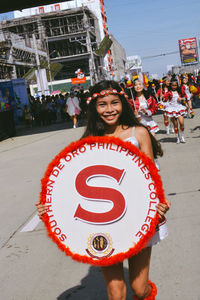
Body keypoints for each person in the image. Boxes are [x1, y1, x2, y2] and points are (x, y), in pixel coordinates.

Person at [36, 80, 170, 300]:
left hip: (139, 217)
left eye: (114, 103)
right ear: (93, 108)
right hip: (103, 225)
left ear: (123, 104)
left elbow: (150, 178)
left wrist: (160, 202)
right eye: (102, 104)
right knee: (116, 293)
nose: (109, 109)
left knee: (139, 289)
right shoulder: (88, 142)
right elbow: (70, 186)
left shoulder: (139, 133)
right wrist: (49, 208)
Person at [163, 78, 187, 143]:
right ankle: (177, 137)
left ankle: (182, 136)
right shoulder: (169, 92)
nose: (174, 87)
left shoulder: (180, 91)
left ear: (177, 85)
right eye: (173, 85)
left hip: (179, 108)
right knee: (175, 125)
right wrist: (163, 97)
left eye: (175, 85)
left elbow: (185, 96)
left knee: (181, 123)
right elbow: (165, 100)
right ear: (171, 85)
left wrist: (181, 99)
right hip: (172, 109)